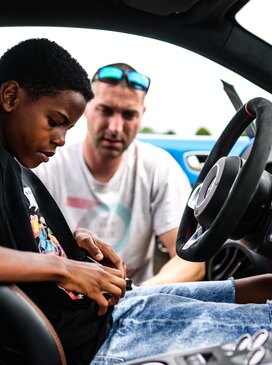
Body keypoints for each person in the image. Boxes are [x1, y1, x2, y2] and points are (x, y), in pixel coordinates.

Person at [0, 38, 272, 365]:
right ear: (11, 97)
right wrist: (67, 270)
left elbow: (11, 232)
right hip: (105, 337)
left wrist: (74, 246)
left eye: (67, 128)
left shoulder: (14, 166)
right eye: (55, 121)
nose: (61, 139)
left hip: (116, 309)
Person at [33, 62, 205, 285]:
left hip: (136, 299)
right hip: (63, 299)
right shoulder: (49, 162)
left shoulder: (158, 167)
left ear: (142, 115)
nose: (115, 127)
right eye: (106, 110)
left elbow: (190, 261)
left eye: (129, 115)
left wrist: (133, 295)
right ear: (86, 108)